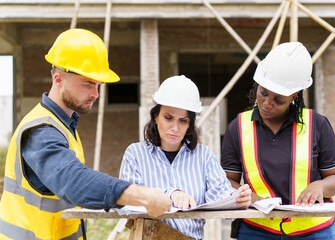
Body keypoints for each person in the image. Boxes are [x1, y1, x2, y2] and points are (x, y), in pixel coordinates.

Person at [0, 28, 172, 240]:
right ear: (58, 79)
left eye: (98, 85)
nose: (96, 94)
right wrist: (142, 195)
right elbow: (74, 182)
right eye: (87, 84)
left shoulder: (63, 124)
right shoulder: (41, 131)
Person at [221, 41, 335, 240]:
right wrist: (246, 195)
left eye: (279, 99)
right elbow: (227, 181)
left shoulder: (317, 125)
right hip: (256, 230)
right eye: (263, 93)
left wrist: (320, 186)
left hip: (314, 232)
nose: (267, 103)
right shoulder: (238, 127)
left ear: (294, 95)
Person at [119, 75, 252, 240]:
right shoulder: (135, 154)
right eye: (168, 118)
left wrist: (237, 198)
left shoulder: (203, 156)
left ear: (190, 124)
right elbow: (128, 200)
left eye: (183, 121)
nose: (174, 128)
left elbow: (220, 196)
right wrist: (170, 194)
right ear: (156, 117)